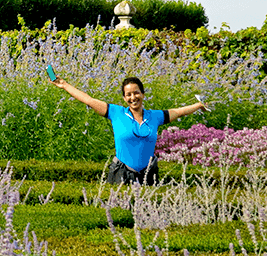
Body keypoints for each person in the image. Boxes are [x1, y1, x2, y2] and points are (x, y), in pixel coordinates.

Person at [50, 75, 208, 185]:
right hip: (121, 174)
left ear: (143, 94)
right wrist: (64, 85)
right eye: (129, 95)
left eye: (136, 93)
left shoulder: (155, 116)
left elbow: (180, 111)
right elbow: (88, 100)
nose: (133, 97)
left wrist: (198, 105)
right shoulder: (116, 113)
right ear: (124, 98)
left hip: (148, 174)